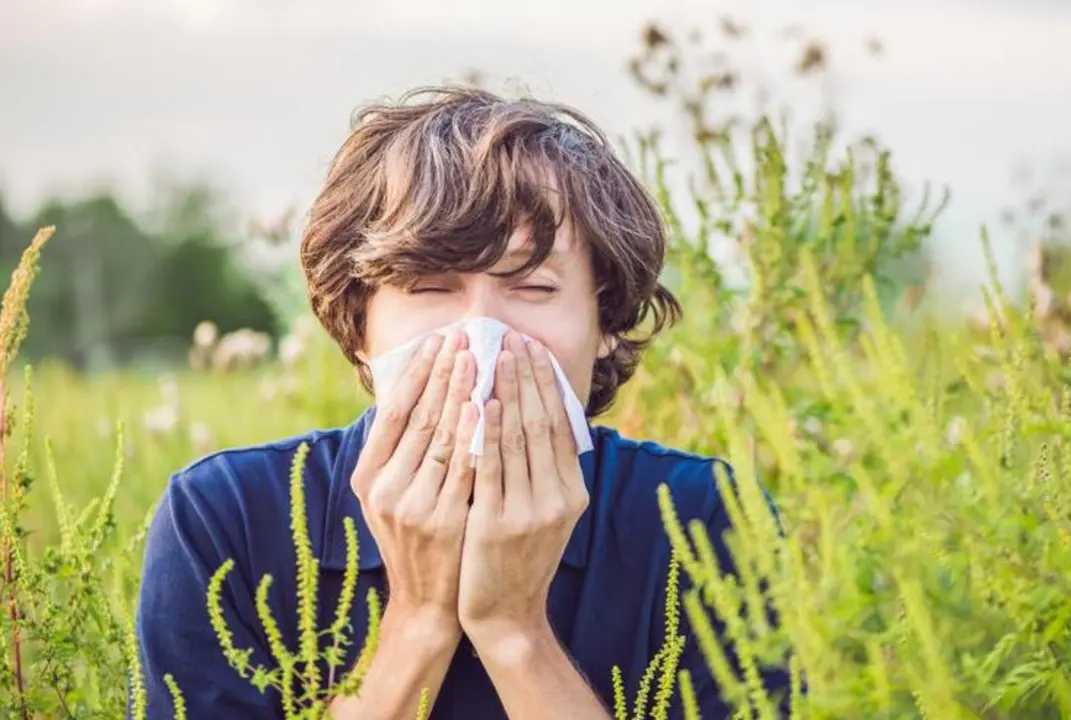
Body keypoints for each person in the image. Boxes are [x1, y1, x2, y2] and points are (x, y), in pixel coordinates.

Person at [132, 85, 790, 719]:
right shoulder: (226, 521)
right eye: (428, 288)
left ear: (605, 322)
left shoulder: (703, 522)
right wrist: (419, 619)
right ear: (359, 326)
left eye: (532, 287)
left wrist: (515, 632)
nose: (482, 338)